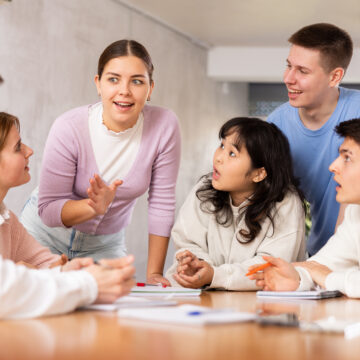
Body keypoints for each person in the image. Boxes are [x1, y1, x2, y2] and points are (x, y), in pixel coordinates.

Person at [20, 39, 181, 286]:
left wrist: (154, 274)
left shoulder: (164, 125)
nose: (124, 90)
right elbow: (49, 211)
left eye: (137, 81)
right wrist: (93, 207)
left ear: (150, 89)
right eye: (113, 79)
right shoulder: (69, 126)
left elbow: (161, 203)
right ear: (98, 84)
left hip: (105, 243)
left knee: (112, 312)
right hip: (44, 237)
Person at [0, 112, 135, 319]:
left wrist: (69, 269)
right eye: (18, 147)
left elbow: (44, 262)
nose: (29, 151)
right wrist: (87, 283)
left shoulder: (7, 220)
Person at [165, 117, 305, 290]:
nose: (218, 158)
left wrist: (214, 276)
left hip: (262, 307)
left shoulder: (285, 203)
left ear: (259, 174)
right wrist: (195, 266)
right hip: (207, 300)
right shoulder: (205, 189)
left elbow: (269, 268)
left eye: (232, 153)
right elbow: (188, 242)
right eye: (222, 146)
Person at [267, 23, 360, 256]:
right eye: (288, 66)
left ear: (335, 76)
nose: (288, 78)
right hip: (320, 255)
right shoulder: (276, 126)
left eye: (303, 71)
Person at [249, 119, 360, 298]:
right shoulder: (356, 212)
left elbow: (325, 273)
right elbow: (321, 265)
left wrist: (328, 277)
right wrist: (298, 278)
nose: (333, 166)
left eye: (347, 158)